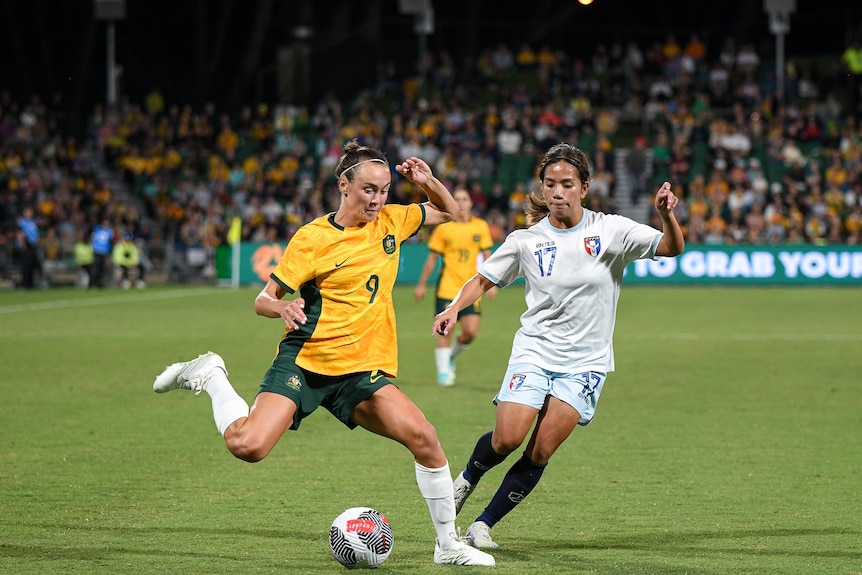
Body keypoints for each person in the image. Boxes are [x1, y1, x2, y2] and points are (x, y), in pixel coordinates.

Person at [152, 141, 495, 567]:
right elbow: (265, 298)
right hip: (307, 362)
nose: (378, 199)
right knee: (248, 445)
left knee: (424, 437)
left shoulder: (392, 221)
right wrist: (282, 306)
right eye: (369, 189)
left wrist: (428, 182)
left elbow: (448, 212)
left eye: (385, 190)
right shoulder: (313, 238)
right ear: (344, 185)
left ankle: (447, 547)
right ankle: (211, 374)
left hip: (361, 370)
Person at [431, 143, 684, 550]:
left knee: (541, 448)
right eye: (550, 184)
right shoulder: (526, 240)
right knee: (507, 439)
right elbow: (483, 279)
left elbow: (672, 248)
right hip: (536, 349)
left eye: (567, 184)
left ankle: (483, 525)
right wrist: (453, 309)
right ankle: (466, 480)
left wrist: (666, 215)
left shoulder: (611, 230)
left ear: (585, 187)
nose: (557, 192)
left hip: (586, 362)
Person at [414, 187, 496, 386]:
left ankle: (450, 357)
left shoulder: (480, 226)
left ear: (470, 203)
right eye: (456, 199)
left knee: (470, 332)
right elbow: (432, 259)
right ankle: (443, 374)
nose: (460, 202)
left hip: (471, 289)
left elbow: (487, 256)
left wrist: (493, 282)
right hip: (447, 288)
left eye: (464, 198)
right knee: (446, 332)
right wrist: (422, 284)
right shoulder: (444, 228)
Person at [16, 207, 41, 289]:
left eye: (30, 212)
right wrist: (23, 245)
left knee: (32, 266)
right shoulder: (21, 222)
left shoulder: (33, 222)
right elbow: (20, 234)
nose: (29, 213)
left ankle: (31, 284)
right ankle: (24, 285)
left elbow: (36, 233)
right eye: (27, 212)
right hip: (26, 245)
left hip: (33, 245)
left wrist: (37, 241)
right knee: (25, 266)